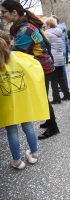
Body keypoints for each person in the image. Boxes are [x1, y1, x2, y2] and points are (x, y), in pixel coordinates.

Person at [1, 0, 60, 140]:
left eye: (3, 12)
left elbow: (13, 54)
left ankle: (53, 127)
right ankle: (48, 121)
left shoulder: (25, 30)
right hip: (41, 66)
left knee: (43, 98)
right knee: (42, 96)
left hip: (41, 68)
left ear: (14, 12)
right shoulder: (25, 25)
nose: (1, 15)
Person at [0, 30, 49, 169]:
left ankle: (17, 161)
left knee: (11, 131)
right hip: (23, 99)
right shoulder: (20, 57)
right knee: (28, 126)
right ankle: (34, 154)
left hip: (6, 103)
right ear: (11, 43)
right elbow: (35, 67)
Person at [44, 17, 70, 103]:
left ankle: (56, 98)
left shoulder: (47, 34)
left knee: (53, 80)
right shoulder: (59, 33)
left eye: (45, 24)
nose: (44, 26)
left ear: (48, 25)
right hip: (60, 58)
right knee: (61, 78)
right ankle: (67, 95)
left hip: (53, 59)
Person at [51, 15, 68, 87]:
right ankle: (64, 85)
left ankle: (64, 86)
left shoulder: (57, 29)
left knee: (61, 69)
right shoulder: (61, 28)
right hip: (61, 50)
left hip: (59, 51)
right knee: (61, 69)